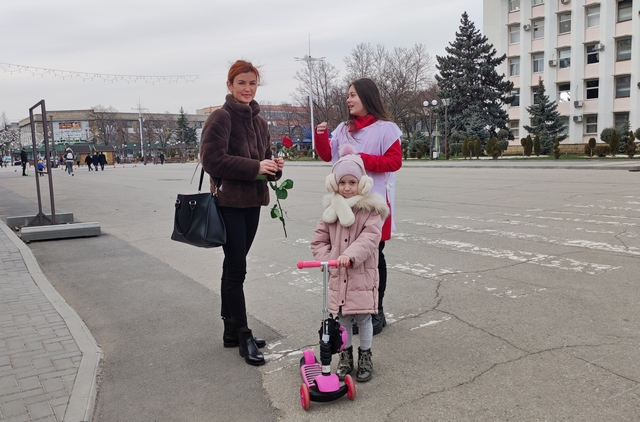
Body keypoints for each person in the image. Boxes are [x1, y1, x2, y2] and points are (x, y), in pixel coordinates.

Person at [199, 59, 285, 366]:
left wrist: (274, 167)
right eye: (241, 83)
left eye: (252, 83)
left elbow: (265, 161)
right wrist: (255, 166)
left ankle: (230, 331)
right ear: (230, 85)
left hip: (253, 202)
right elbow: (211, 160)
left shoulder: (259, 122)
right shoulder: (221, 117)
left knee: (234, 267)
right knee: (237, 269)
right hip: (230, 202)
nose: (247, 89)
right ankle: (244, 334)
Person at [315, 78, 402, 335]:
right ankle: (354, 312)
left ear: (367, 97)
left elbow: (394, 161)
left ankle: (376, 311)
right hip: (346, 204)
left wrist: (360, 160)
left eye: (353, 95)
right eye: (348, 95)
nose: (348, 100)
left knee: (374, 257)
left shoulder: (386, 129)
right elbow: (327, 155)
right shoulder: (344, 129)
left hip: (372, 202)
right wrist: (320, 136)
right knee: (349, 257)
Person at [310, 144, 389, 382]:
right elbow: (318, 241)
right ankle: (345, 356)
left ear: (361, 184)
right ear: (334, 184)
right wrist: (329, 260)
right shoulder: (330, 213)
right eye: (342, 182)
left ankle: (365, 355)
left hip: (361, 275)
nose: (347, 187)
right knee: (342, 318)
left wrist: (350, 255)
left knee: (363, 317)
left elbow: (370, 238)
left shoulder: (370, 211)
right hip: (339, 275)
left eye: (352, 182)